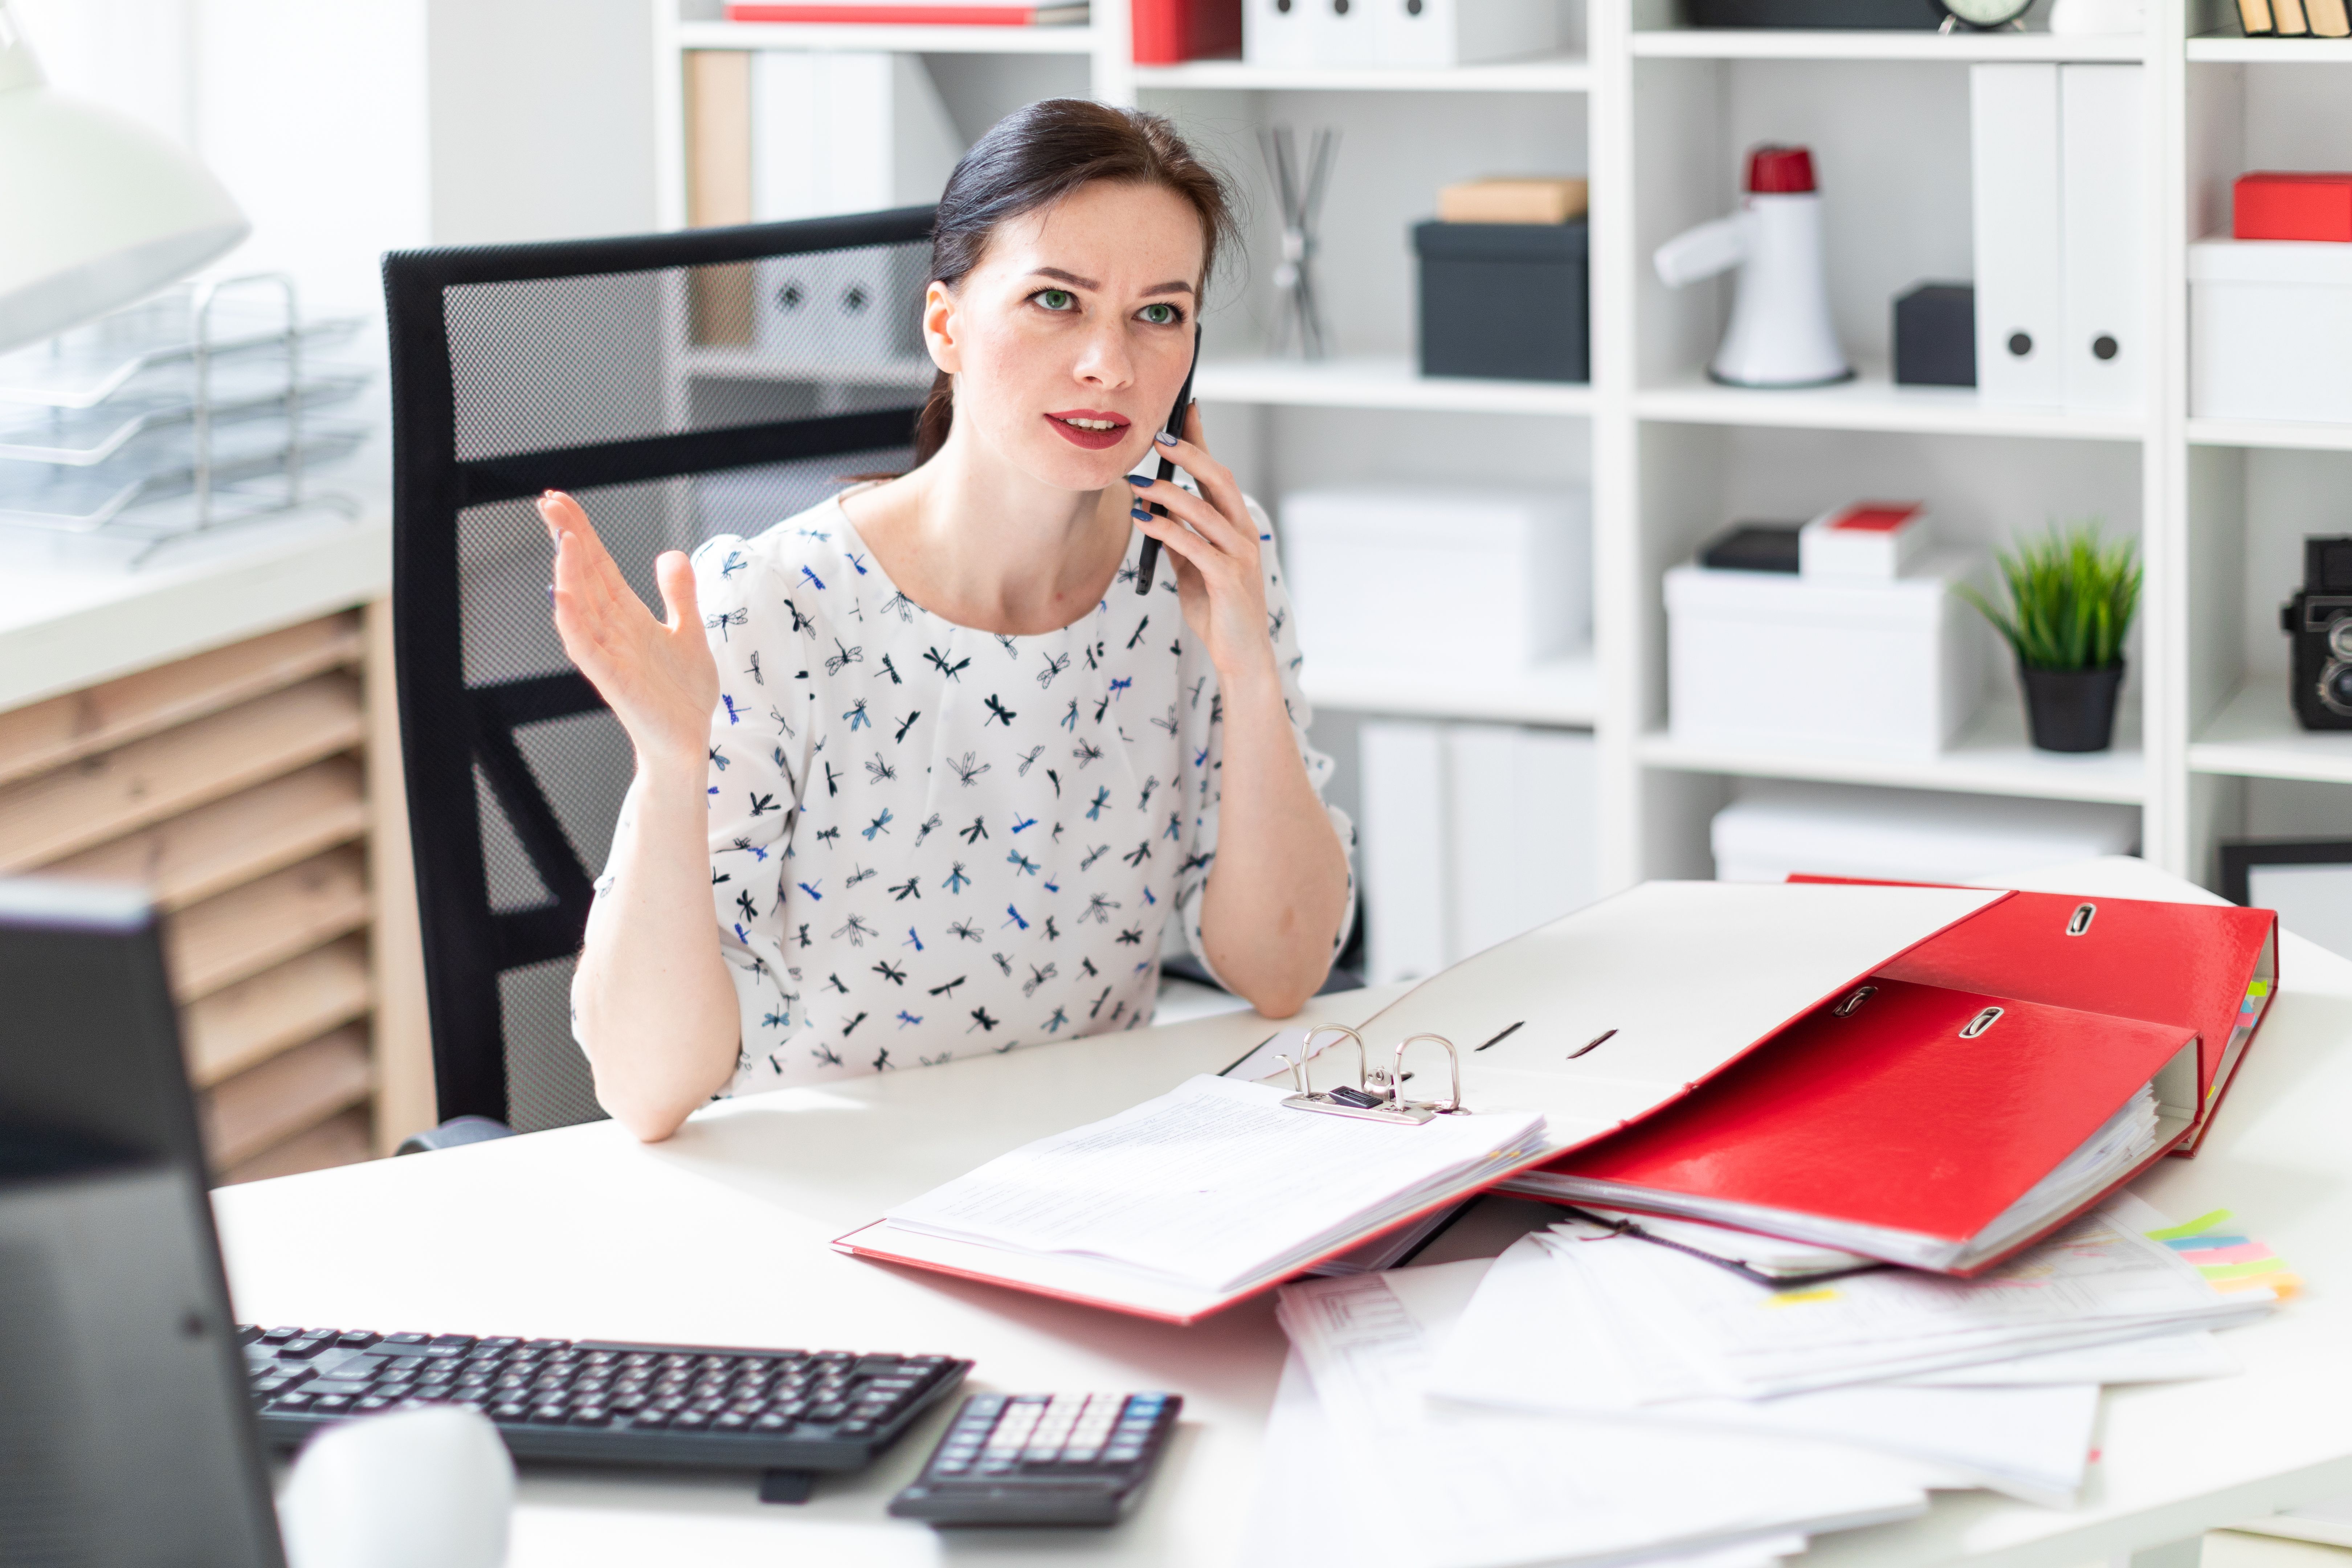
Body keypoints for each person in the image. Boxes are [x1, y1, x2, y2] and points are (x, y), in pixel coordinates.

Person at [540, 99, 1355, 1143]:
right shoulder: (772, 602)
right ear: (945, 326)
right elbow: (647, 1092)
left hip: (1091, 1170)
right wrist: (669, 761)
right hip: (832, 1182)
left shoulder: (1204, 566)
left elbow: (1283, 972)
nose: (1111, 364)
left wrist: (1246, 669)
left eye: (1161, 314)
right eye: (1057, 300)